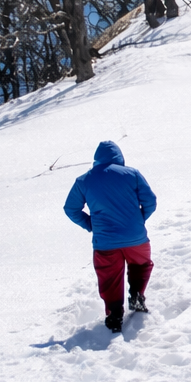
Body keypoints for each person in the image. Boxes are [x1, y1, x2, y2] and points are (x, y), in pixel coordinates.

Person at [64, 141, 157, 333]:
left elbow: (71, 208)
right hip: (136, 238)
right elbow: (151, 201)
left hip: (105, 242)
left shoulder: (84, 180)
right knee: (141, 265)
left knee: (109, 276)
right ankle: (137, 296)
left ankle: (114, 314)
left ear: (96, 159)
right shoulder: (132, 174)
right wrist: (138, 220)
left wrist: (90, 224)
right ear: (119, 157)